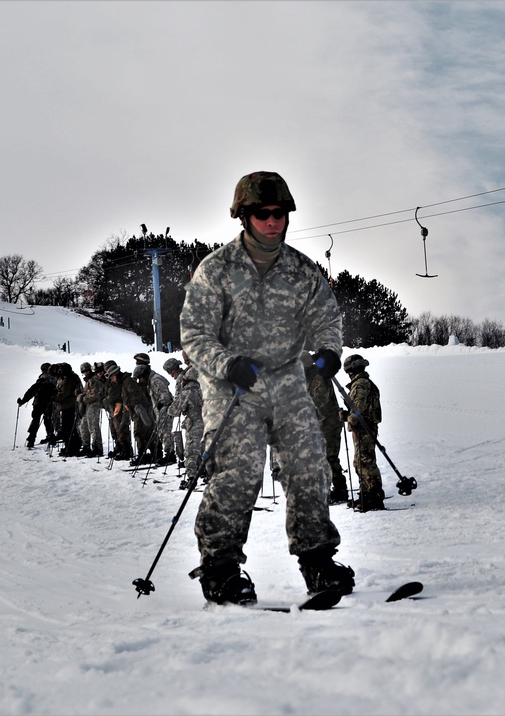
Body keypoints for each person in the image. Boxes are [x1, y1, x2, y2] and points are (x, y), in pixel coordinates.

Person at [179, 170, 354, 606]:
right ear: (244, 216)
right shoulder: (215, 270)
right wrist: (226, 363)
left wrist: (329, 349)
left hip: (287, 380)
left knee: (310, 464)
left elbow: (325, 319)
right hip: (234, 384)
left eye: (279, 213)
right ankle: (220, 567)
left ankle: (317, 560)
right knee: (239, 473)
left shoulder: (301, 270)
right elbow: (194, 334)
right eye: (262, 213)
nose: (272, 221)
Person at [302, 354, 349, 504]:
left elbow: (319, 401)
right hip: (318, 425)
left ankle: (339, 489)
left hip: (329, 424)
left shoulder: (319, 377)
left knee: (329, 457)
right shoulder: (305, 378)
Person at [342, 354, 385, 511]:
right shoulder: (362, 382)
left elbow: (357, 411)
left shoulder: (360, 384)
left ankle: (375, 495)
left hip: (364, 429)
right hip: (363, 428)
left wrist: (346, 416)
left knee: (365, 461)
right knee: (359, 462)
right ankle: (366, 493)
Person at [165, 355, 204, 488]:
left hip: (193, 422)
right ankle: (207, 473)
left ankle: (192, 477)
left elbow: (175, 409)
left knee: (191, 451)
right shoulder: (202, 389)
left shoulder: (187, 392)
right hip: (208, 421)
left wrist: (168, 410)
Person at [17, 364, 57, 449]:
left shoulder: (42, 379)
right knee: (48, 420)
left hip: (39, 403)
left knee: (35, 421)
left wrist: (23, 401)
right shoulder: (54, 379)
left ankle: (31, 439)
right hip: (50, 402)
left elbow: (31, 391)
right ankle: (51, 437)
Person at [125, 364, 157, 465]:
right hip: (142, 411)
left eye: (140, 377)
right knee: (140, 433)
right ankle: (145, 453)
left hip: (147, 411)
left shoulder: (151, 382)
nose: (140, 380)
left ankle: (153, 453)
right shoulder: (141, 384)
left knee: (145, 432)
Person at [103, 361, 133, 460]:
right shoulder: (110, 381)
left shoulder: (123, 381)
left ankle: (126, 450)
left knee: (122, 430)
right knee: (115, 430)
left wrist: (107, 400)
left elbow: (115, 394)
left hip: (121, 408)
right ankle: (120, 448)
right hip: (114, 408)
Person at [78, 362, 106, 458]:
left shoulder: (94, 380)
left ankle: (97, 448)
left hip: (94, 405)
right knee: (83, 426)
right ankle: (86, 446)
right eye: (83, 372)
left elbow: (95, 395)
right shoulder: (89, 380)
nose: (85, 373)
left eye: (87, 371)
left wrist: (83, 398)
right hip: (88, 406)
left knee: (93, 427)